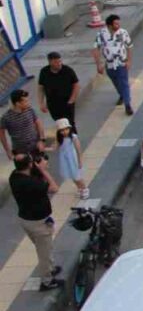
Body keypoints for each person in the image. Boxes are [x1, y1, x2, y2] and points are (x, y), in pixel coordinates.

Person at [8, 153, 62, 290]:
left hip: (26, 220)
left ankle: (50, 268)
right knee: (45, 253)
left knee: (42, 248)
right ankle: (47, 280)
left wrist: (35, 168)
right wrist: (43, 170)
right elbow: (54, 188)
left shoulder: (14, 177)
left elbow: (28, 172)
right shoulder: (32, 184)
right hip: (39, 223)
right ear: (30, 164)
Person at [93, 14, 133, 115]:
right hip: (109, 64)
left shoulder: (123, 33)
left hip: (121, 63)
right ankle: (122, 95)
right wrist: (99, 64)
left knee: (124, 83)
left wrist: (129, 60)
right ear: (110, 25)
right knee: (116, 82)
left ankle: (127, 105)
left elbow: (129, 46)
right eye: (116, 23)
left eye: (119, 23)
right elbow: (96, 49)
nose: (118, 25)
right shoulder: (101, 34)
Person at [37, 52, 80, 133]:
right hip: (53, 104)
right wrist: (41, 103)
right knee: (59, 124)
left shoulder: (68, 70)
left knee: (69, 123)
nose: (59, 64)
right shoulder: (44, 72)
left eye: (60, 61)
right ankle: (64, 141)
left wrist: (72, 100)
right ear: (50, 62)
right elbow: (40, 88)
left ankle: (73, 139)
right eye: (56, 62)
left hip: (67, 102)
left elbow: (76, 85)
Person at [1, 89, 43, 160]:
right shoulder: (6, 117)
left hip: (35, 147)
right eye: (25, 101)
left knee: (40, 168)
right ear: (18, 103)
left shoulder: (30, 110)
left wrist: (41, 140)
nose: (28, 103)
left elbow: (38, 124)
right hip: (20, 152)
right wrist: (8, 151)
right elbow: (2, 134)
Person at [52, 119, 87, 200]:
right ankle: (79, 188)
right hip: (65, 159)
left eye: (66, 129)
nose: (64, 132)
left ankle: (84, 189)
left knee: (77, 176)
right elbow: (55, 147)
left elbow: (79, 150)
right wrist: (46, 149)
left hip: (73, 159)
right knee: (72, 176)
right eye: (62, 130)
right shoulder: (59, 139)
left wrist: (80, 161)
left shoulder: (74, 137)